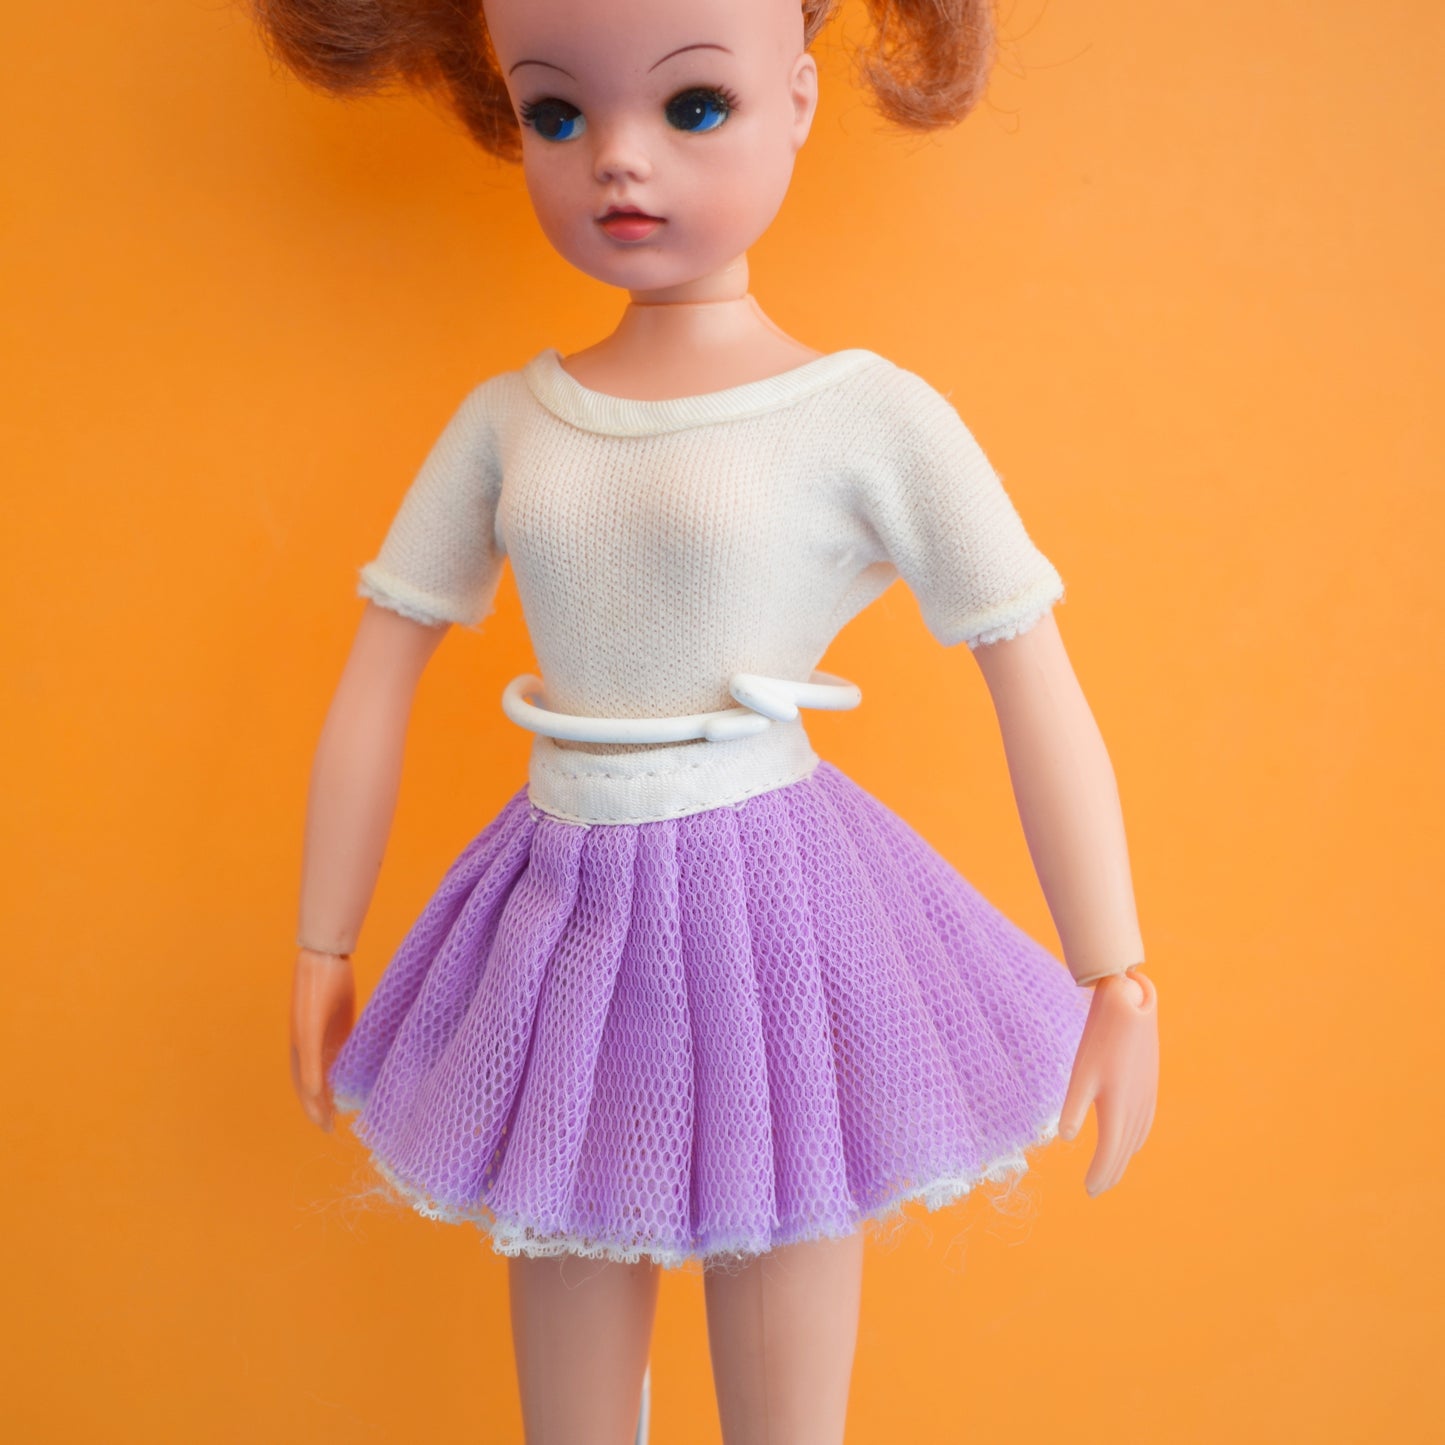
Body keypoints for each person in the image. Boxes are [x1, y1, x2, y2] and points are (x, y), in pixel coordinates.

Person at [262, 1, 1161, 1440]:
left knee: (782, 1367)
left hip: (775, 906)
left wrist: (1114, 971)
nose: (617, 160)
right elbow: (382, 666)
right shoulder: (511, 420)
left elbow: (1026, 665)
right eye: (557, 113)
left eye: (692, 107)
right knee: (568, 1330)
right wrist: (324, 939)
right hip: (560, 901)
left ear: (796, 98)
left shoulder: (866, 415)